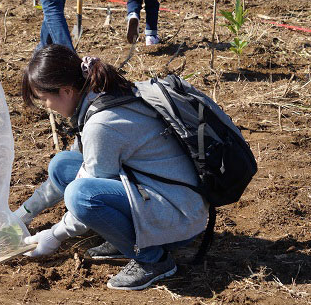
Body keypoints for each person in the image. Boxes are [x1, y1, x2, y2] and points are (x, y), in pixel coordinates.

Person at [17, 44, 208, 290]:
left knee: (80, 196)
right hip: (162, 194)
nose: (46, 107)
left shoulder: (101, 124)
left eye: (44, 99)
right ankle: (124, 238)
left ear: (65, 91)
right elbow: (81, 169)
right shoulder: (99, 96)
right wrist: (23, 213)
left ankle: (152, 260)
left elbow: (86, 194)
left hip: (179, 217)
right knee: (63, 165)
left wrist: (54, 236)